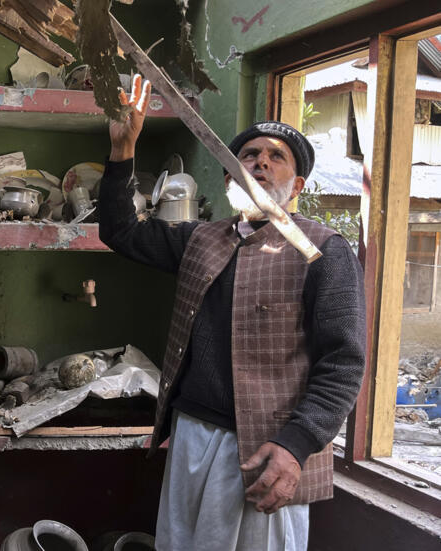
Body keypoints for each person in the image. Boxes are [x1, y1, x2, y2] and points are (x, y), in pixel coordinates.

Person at [98, 75, 366, 550]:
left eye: (276, 157)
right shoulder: (200, 238)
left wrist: (297, 444)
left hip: (269, 449)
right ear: (228, 178)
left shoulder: (324, 250)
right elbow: (119, 230)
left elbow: (344, 363)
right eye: (248, 155)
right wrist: (123, 149)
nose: (260, 162)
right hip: (192, 437)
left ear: (297, 184)